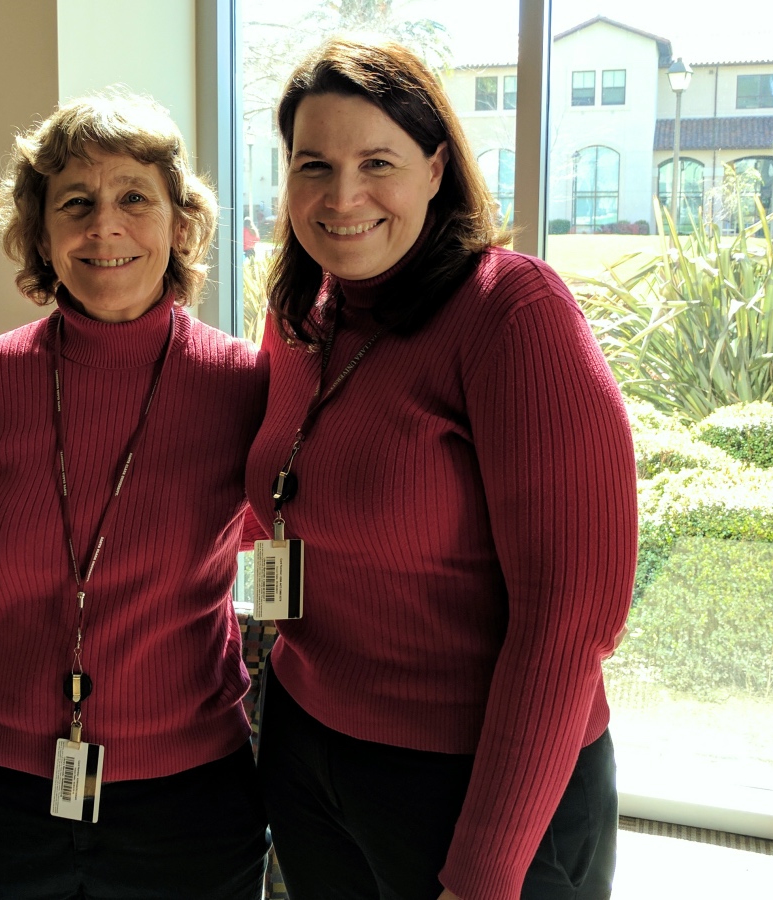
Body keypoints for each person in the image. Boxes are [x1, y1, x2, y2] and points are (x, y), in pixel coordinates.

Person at [245, 37, 637, 900]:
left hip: (482, 781)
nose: (342, 196)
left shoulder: (513, 314)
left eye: (376, 162)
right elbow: (279, 501)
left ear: (435, 167)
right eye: (314, 165)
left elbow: (571, 616)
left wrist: (486, 868)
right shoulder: (302, 314)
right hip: (309, 749)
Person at [0, 92, 270, 900]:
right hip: (0, 800)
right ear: (40, 231)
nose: (105, 227)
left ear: (181, 224)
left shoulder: (244, 385)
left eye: (135, 198)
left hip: (189, 804)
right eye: (76, 203)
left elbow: (298, 559)